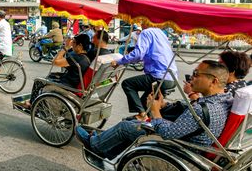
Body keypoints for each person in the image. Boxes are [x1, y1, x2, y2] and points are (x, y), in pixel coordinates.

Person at [77, 60, 233, 160]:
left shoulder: (202, 109)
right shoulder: (225, 100)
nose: (192, 78)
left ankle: (95, 145)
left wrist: (155, 111)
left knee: (127, 126)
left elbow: (168, 133)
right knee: (134, 121)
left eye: (196, 74)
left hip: (179, 146)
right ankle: (108, 150)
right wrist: (164, 106)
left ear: (213, 81)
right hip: (192, 138)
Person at [111, 27, 179, 121]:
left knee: (127, 84)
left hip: (159, 77)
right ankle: (146, 119)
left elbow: (138, 54)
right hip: (172, 78)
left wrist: (119, 62)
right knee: (144, 102)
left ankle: (142, 115)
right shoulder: (160, 32)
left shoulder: (146, 32)